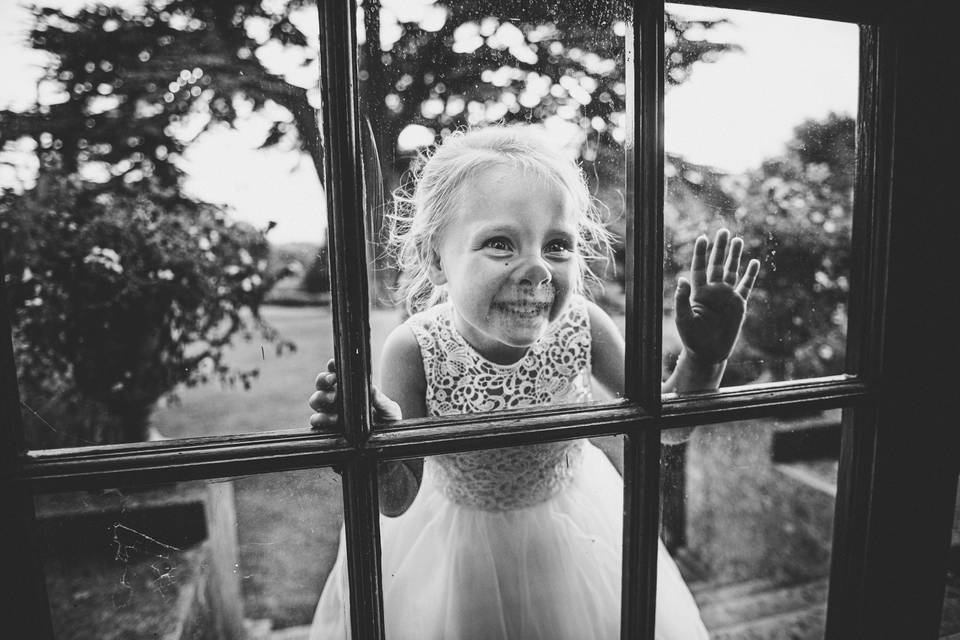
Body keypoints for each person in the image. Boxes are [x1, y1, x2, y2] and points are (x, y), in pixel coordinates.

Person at [308, 125, 760, 640]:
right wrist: (371, 445)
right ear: (436, 260)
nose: (538, 270)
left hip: (576, 533)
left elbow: (668, 428)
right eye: (501, 243)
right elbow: (395, 499)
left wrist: (702, 359)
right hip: (456, 556)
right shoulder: (414, 349)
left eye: (558, 245)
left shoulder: (585, 325)